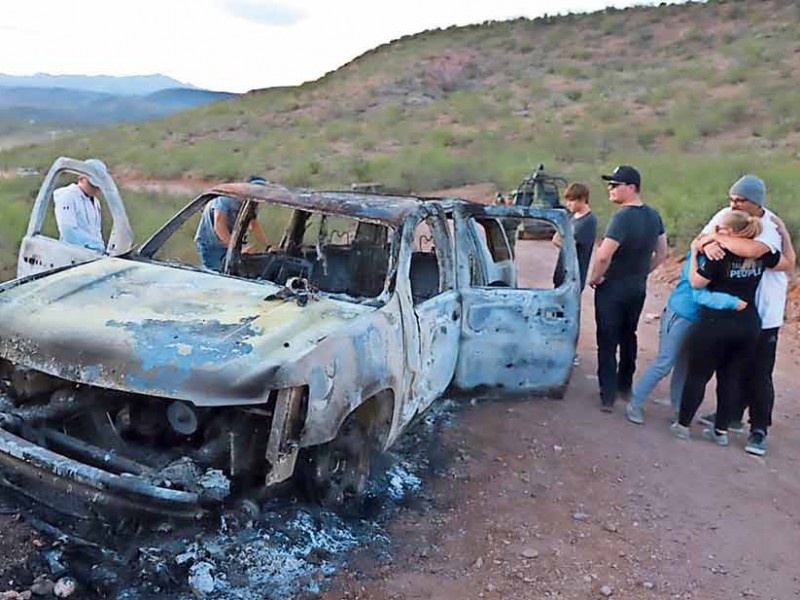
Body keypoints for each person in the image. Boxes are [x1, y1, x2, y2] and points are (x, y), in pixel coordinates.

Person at [671, 210, 793, 449]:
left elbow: (697, 282)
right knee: (731, 378)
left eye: (720, 228)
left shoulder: (719, 254)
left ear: (732, 233)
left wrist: (695, 253)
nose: (716, 232)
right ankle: (721, 431)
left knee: (698, 374)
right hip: (748, 322)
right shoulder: (762, 254)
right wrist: (784, 233)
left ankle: (683, 425)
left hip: (716, 322)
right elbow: (788, 262)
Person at [694, 175, 795, 455]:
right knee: (733, 367)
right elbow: (699, 241)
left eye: (741, 200)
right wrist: (706, 243)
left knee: (760, 372)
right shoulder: (726, 215)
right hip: (738, 311)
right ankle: (731, 415)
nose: (733, 205)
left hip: (766, 312)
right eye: (732, 198)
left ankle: (759, 428)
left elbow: (753, 250)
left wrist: (717, 239)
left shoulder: (769, 227)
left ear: (757, 202)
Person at [625, 244, 744, 425]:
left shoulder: (719, 256)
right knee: (665, 362)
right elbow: (698, 294)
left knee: (685, 365)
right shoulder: (700, 256)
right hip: (680, 313)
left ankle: (679, 409)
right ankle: (636, 401)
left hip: (698, 318)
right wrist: (731, 302)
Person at [588, 165, 667, 412]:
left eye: (615, 185)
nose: (610, 189)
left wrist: (595, 278)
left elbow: (604, 255)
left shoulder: (622, 217)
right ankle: (625, 386)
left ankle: (607, 395)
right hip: (637, 288)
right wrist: (643, 272)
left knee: (608, 340)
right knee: (628, 335)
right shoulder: (654, 216)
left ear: (631, 187)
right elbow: (662, 252)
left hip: (613, 288)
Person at [194, 176, 269, 271]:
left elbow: (254, 224)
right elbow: (219, 224)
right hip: (211, 245)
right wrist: (236, 249)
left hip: (229, 244)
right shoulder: (226, 199)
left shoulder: (252, 203)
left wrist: (267, 246)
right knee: (219, 274)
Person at [53, 158, 108, 251]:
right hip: (73, 254)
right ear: (81, 178)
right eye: (92, 185)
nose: (96, 189)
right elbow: (68, 231)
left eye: (98, 186)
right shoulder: (68, 196)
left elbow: (96, 231)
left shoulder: (96, 202)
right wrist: (91, 246)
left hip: (93, 256)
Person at [552, 182, 597, 291]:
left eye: (571, 200)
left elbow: (571, 246)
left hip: (573, 278)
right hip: (562, 275)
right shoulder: (572, 216)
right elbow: (556, 238)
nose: (568, 204)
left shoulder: (588, 221)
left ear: (582, 199)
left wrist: (562, 239)